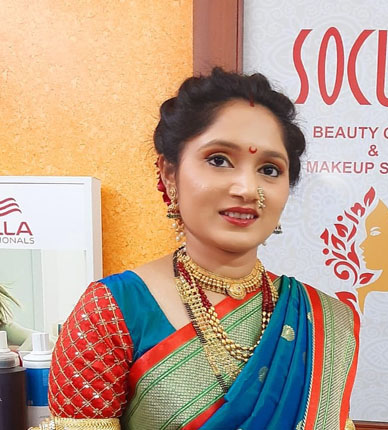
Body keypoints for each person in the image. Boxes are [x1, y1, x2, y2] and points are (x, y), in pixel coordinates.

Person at [31, 68, 359, 430]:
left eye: (269, 169)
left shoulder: (324, 323)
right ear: (169, 173)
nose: (247, 189)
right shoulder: (111, 312)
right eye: (219, 160)